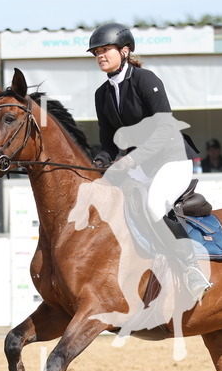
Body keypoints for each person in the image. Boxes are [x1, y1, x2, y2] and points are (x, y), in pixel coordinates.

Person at [88, 22, 212, 300]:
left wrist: (131, 161)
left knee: (155, 205)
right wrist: (99, 161)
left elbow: (165, 128)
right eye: (96, 52)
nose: (100, 56)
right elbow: (109, 142)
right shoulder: (102, 94)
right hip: (141, 165)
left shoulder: (146, 80)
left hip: (172, 160)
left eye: (106, 49)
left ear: (125, 50)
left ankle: (191, 268)